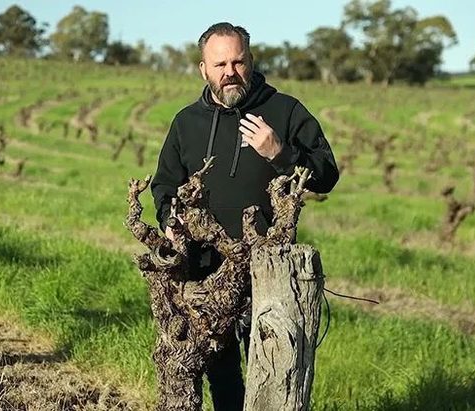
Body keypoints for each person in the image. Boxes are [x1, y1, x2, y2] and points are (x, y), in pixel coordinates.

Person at [150, 22, 339, 410]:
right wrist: (169, 218)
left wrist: (280, 153)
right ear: (203, 69)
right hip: (207, 269)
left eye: (238, 62)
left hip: (268, 269)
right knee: (221, 374)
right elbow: (165, 184)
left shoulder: (284, 111)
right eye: (219, 65)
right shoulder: (186, 122)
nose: (230, 72)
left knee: (269, 368)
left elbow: (327, 174)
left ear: (250, 61)